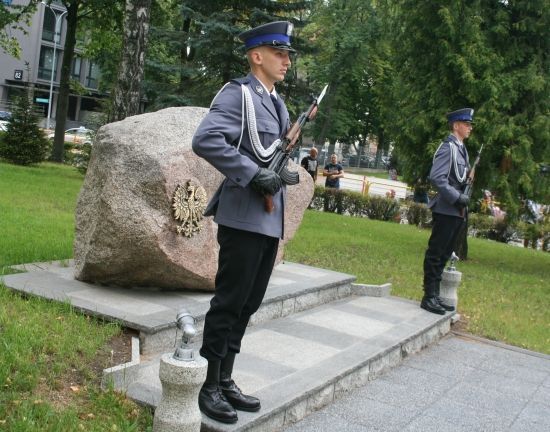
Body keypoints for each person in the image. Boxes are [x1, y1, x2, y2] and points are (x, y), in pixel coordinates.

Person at [191, 21, 296, 424]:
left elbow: (273, 153)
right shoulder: (238, 95)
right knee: (229, 301)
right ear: (256, 56)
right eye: (278, 53)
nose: (286, 61)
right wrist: (253, 174)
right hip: (243, 216)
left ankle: (227, 378)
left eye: (287, 55)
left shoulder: (277, 102)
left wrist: (284, 171)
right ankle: (209, 384)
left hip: (269, 218)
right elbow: (206, 139)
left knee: (248, 304)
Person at [422, 108, 474, 315]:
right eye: (466, 124)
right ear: (456, 125)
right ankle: (429, 296)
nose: (470, 128)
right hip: (446, 209)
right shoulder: (448, 147)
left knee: (445, 254)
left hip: (457, 211)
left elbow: (460, 178)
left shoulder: (461, 148)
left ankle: (435, 295)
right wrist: (456, 197)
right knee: (436, 253)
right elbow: (437, 177)